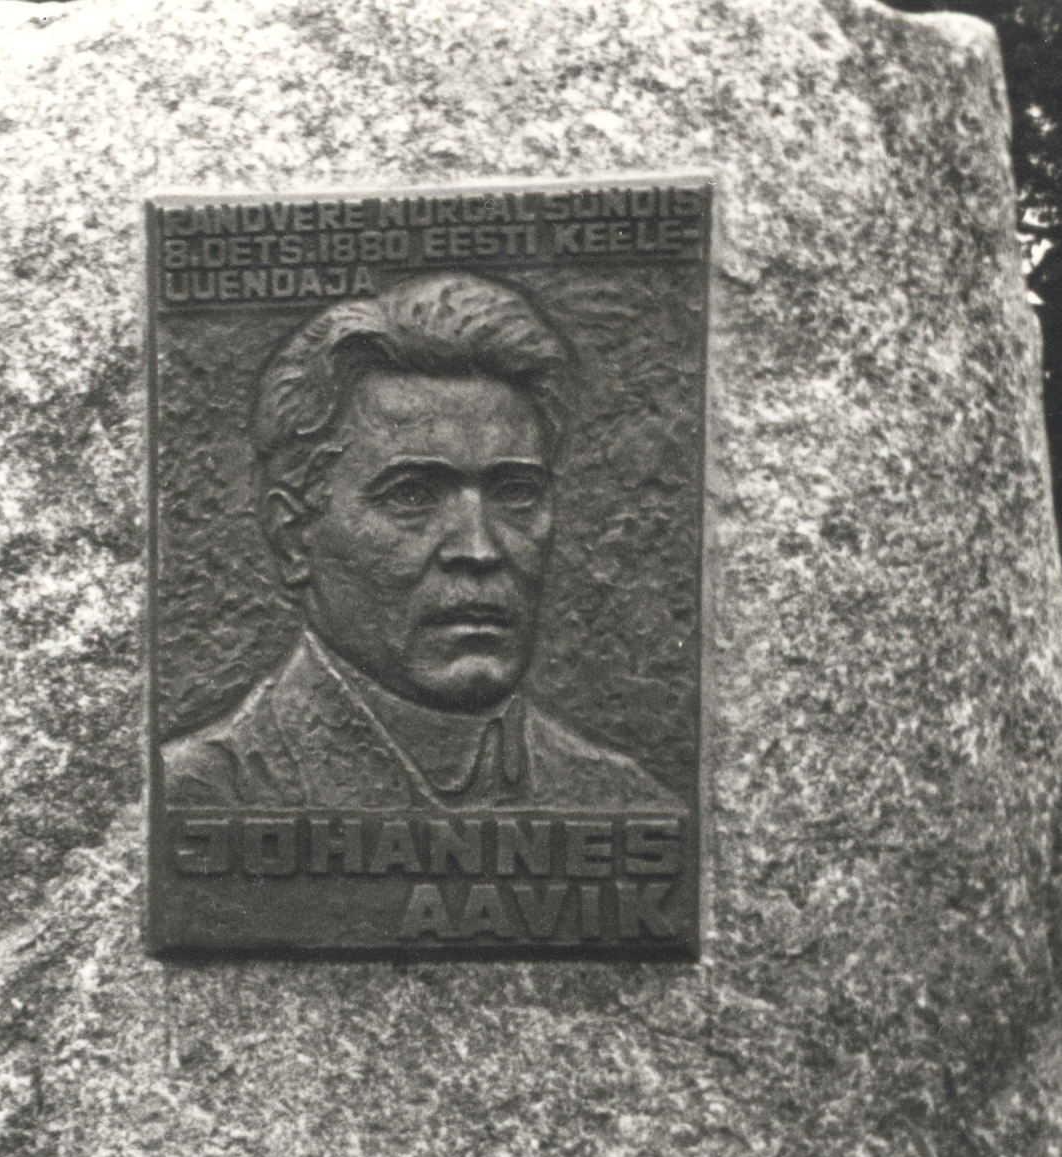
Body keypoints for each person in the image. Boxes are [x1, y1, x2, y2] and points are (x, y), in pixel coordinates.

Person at [162, 272, 682, 811]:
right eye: (411, 496)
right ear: (293, 536)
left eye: (516, 494)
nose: (479, 550)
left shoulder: (627, 808)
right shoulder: (196, 801)